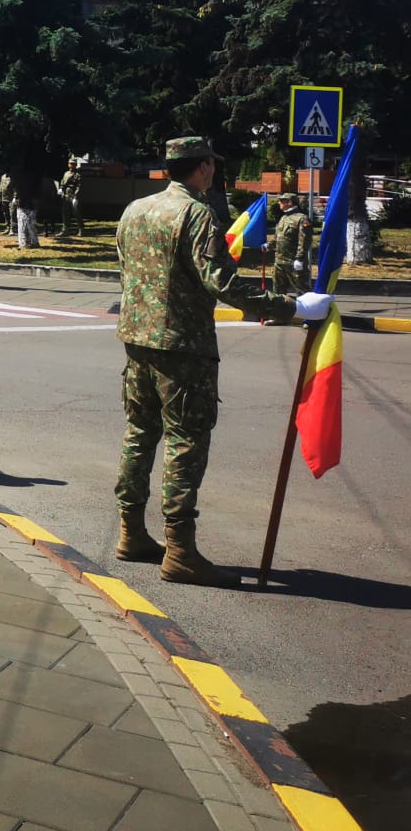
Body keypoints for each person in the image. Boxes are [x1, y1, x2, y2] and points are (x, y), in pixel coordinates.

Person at [113, 137, 324, 587]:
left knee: (139, 435)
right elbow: (223, 283)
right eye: (212, 165)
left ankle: (131, 531)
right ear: (205, 166)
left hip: (137, 341)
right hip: (183, 349)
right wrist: (291, 307)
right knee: (185, 443)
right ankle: (180, 551)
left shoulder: (136, 210)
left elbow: (127, 271)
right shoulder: (197, 213)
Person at [274, 190, 311, 295]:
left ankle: (306, 307)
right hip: (280, 261)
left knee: (302, 290)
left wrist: (299, 258)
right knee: (278, 292)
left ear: (290, 202)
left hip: (293, 261)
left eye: (282, 201)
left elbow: (304, 240)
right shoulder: (283, 218)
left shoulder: (302, 218)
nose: (279, 203)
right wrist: (269, 245)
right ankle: (280, 306)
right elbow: (279, 237)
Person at [60, 159, 84, 236]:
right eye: (70, 163)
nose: (71, 165)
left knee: (76, 213)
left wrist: (76, 196)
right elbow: (62, 183)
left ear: (75, 165)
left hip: (73, 196)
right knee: (65, 213)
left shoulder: (77, 175)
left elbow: (79, 187)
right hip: (66, 196)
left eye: (73, 164)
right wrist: (61, 191)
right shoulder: (66, 173)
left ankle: (81, 229)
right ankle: (65, 230)